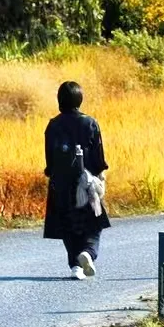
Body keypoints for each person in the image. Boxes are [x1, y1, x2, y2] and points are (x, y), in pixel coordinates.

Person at [42, 81, 110, 279]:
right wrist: (100, 174)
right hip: (86, 183)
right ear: (80, 99)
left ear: (59, 100)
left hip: (61, 184)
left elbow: (49, 160)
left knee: (67, 225)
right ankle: (87, 253)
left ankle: (75, 267)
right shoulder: (90, 123)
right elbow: (98, 157)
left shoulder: (53, 125)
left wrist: (53, 174)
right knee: (93, 224)